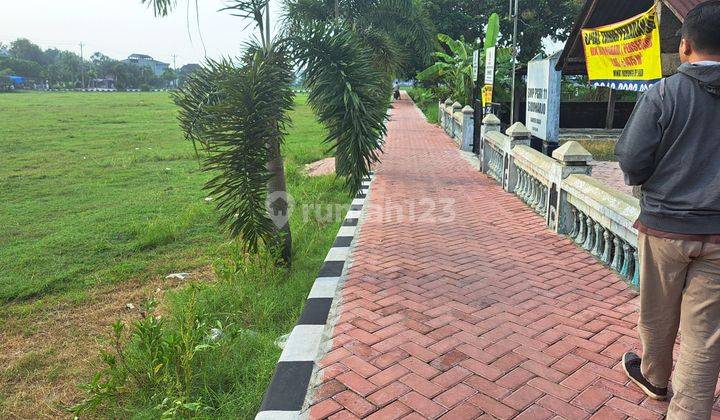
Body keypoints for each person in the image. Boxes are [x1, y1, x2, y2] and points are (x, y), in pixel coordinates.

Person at [615, 1, 720, 418]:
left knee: (657, 315)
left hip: (663, 228)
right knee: (705, 334)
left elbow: (632, 160)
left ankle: (656, 379)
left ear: (685, 46)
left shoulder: (663, 93)